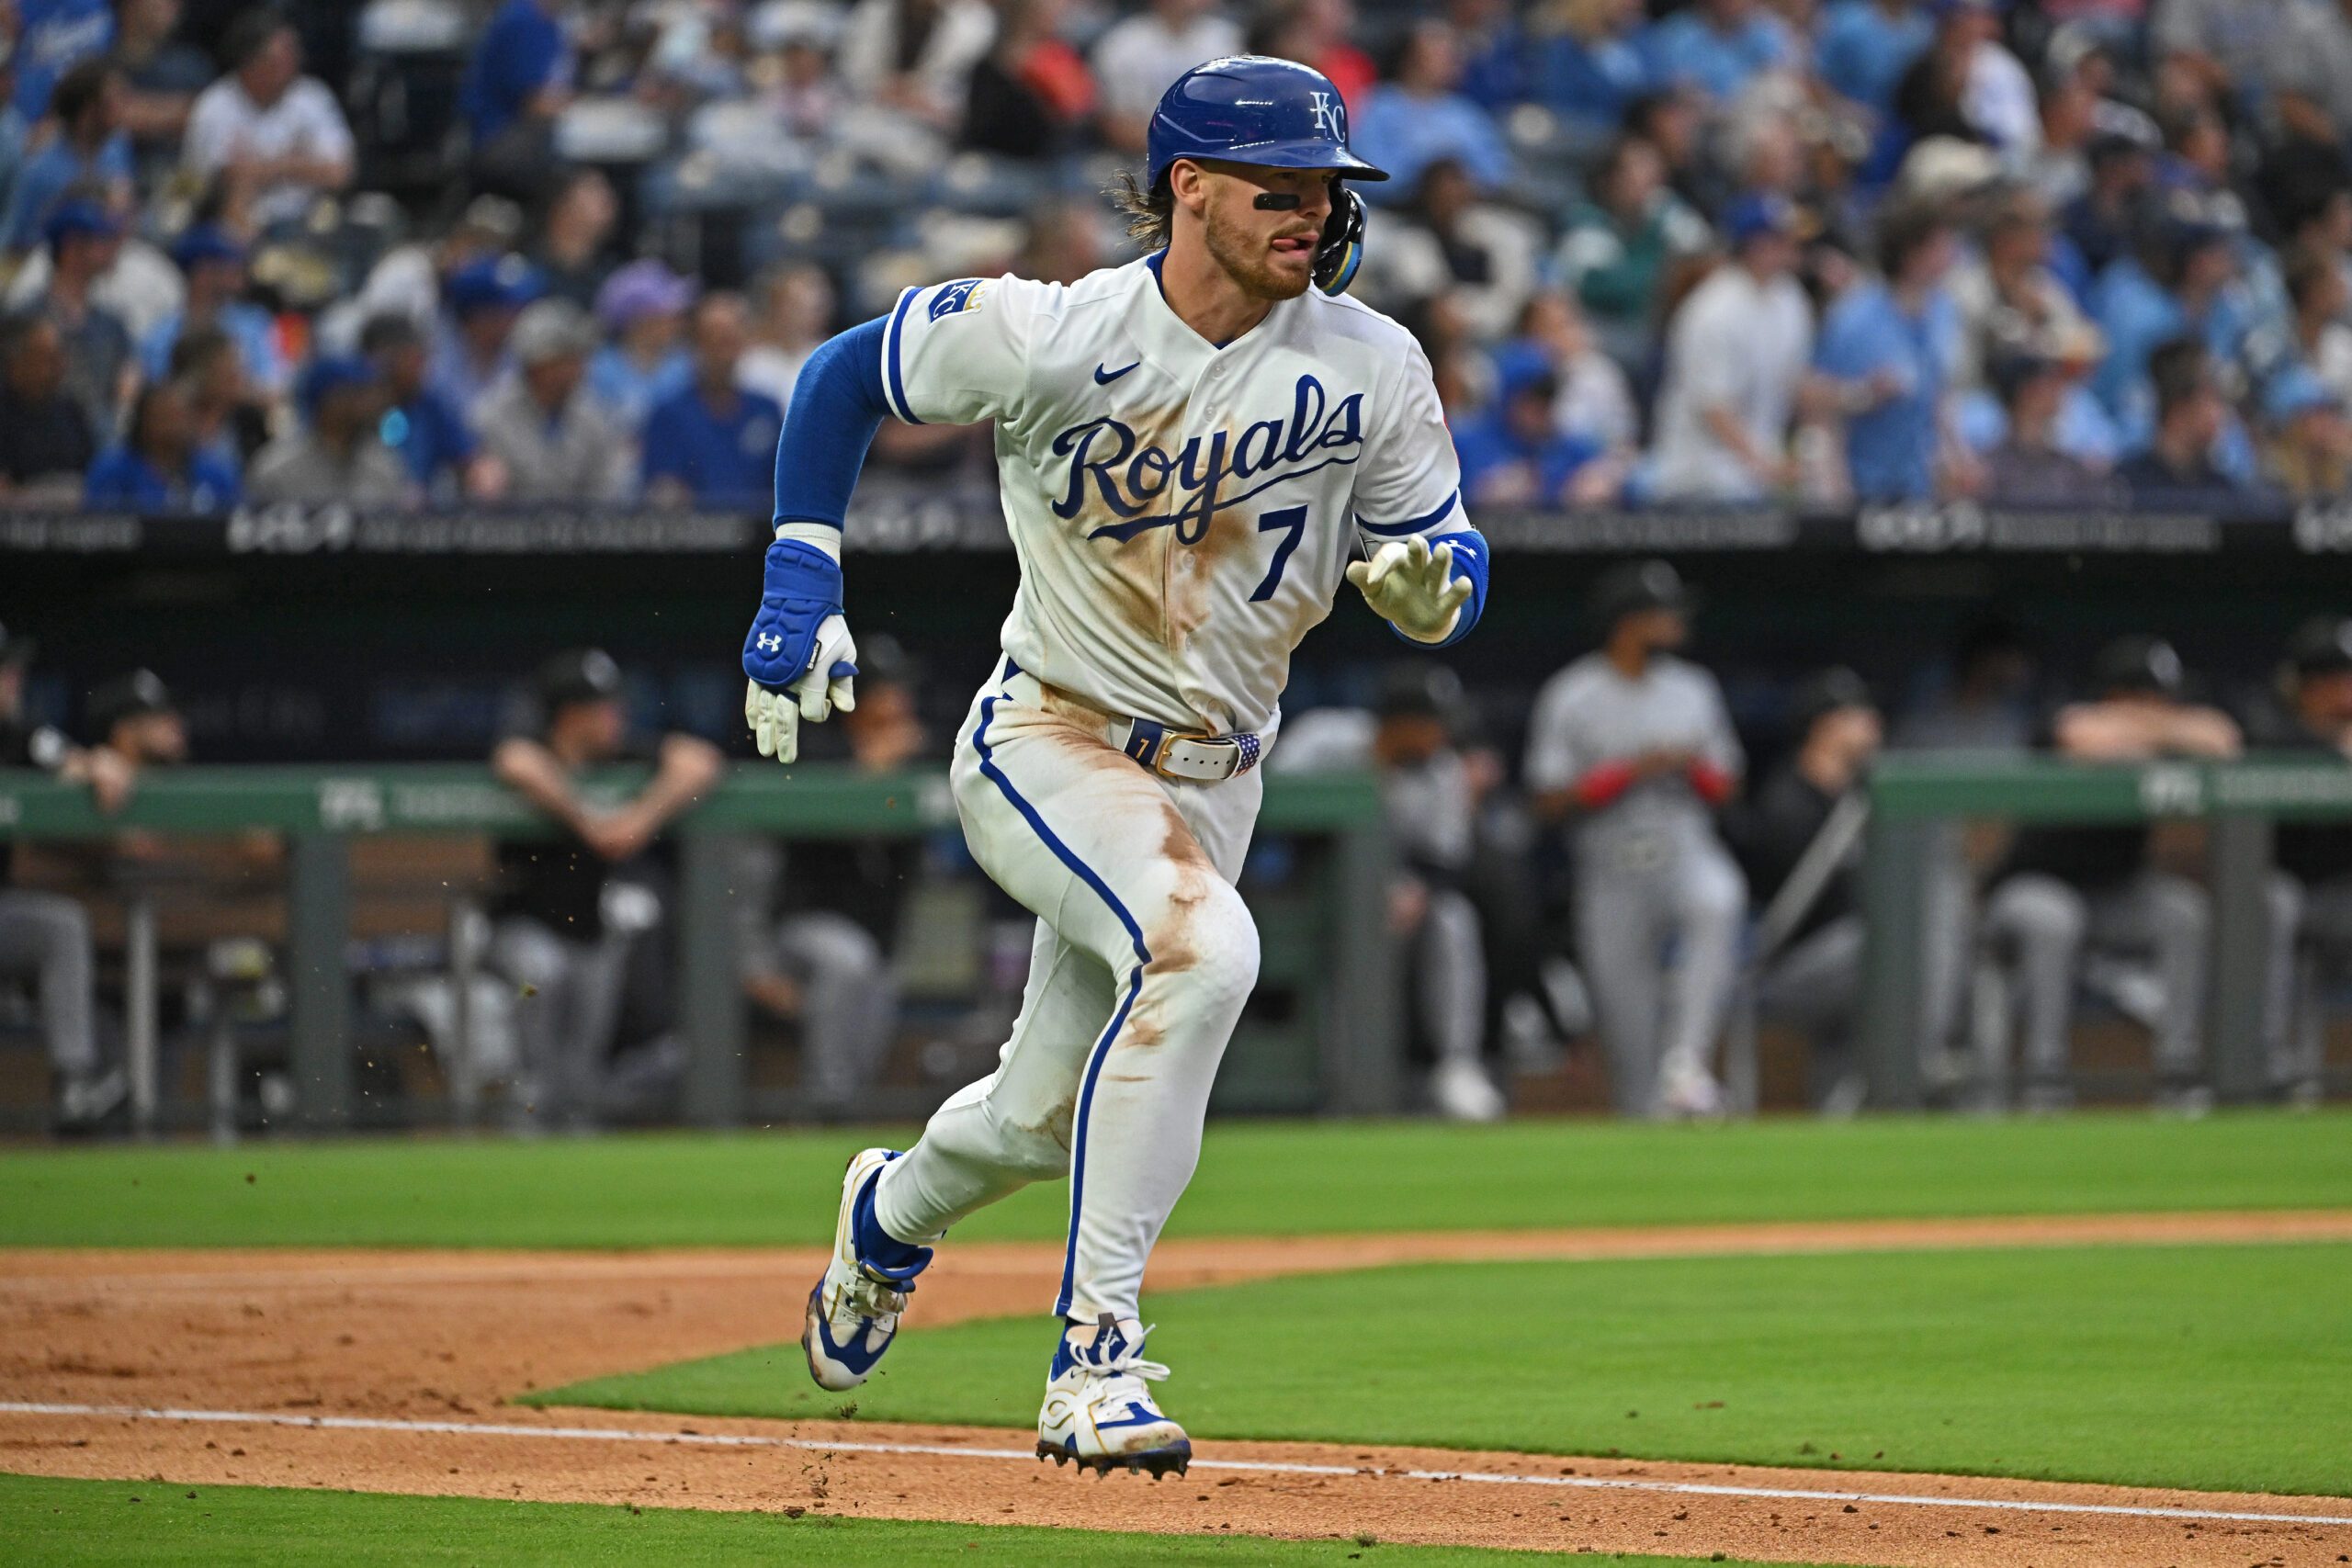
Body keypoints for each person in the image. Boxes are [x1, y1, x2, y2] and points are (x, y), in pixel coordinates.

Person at [750, 57, 1487, 1476]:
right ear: (1186, 191)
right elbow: (846, 373)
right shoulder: (1057, 332)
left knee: (1037, 1120)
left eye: (1328, 189)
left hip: (1219, 771)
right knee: (1205, 954)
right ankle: (1093, 1362)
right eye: (1280, 188)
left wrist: (1430, 588)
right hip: (1051, 732)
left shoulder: (1374, 360)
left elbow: (1448, 549)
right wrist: (803, 566)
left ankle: (889, 1215)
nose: (1312, 214)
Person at [1978, 637, 2252, 1112]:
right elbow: (2084, 737)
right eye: (2149, 697)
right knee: (2054, 919)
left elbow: (2223, 739)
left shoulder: (2158, 737)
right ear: (2116, 697)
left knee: (2184, 913)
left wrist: (2155, 727)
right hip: (2030, 885)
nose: (2164, 709)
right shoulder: (2066, 719)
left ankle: (2178, 1074)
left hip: (2114, 894)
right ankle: (2045, 1080)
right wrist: (2160, 729)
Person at [1524, 560, 1745, 1119]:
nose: (1675, 622)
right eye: (1662, 613)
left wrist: (1688, 766)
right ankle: (1655, 1137)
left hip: (1685, 843)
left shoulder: (1693, 688)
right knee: (1629, 1040)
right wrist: (1630, 771)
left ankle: (1688, 1062)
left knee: (1718, 899)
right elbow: (1545, 801)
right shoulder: (1572, 693)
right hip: (1609, 860)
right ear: (1629, 622)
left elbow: (1727, 785)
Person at [489, 649, 722, 1129]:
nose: (618, 716)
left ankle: (573, 1127)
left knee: (583, 1057)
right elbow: (514, 761)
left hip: (590, 934)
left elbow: (699, 761)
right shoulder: (533, 748)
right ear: (572, 715)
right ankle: (525, 1125)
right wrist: (587, 822)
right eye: (604, 708)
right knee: (543, 975)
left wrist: (637, 820)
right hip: (523, 929)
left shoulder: (620, 753)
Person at [1274, 663, 1504, 1121]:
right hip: (1313, 887)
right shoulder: (1324, 739)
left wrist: (1415, 891)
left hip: (1400, 899)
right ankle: (1327, 1078)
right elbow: (1270, 808)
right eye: (1434, 726)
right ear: (1402, 722)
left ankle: (1456, 1066)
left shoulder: (1441, 772)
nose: (1442, 739)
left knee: (1454, 921)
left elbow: (1447, 860)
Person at [741, 637, 927, 1113]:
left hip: (875, 932)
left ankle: (847, 1107)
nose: (899, 703)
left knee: (877, 977)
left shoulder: (913, 762)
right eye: (887, 692)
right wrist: (874, 768)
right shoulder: (814, 746)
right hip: (800, 927)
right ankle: (825, 1104)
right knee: (849, 959)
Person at [0, 621, 131, 1133]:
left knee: (59, 927)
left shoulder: (17, 732)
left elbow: (72, 759)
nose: (14, 680)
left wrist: (99, 764)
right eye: (3, 672)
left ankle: (74, 1086)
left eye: (14, 670)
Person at [1736, 667, 1881, 1112]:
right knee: (1880, 950)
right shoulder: (1787, 801)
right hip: (1786, 969)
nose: (1873, 723)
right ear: (1826, 726)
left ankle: (1843, 1111)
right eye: (1858, 714)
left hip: (1847, 961)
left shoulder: (1867, 798)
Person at [1647, 192, 1813, 501]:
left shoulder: (1789, 297)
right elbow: (1714, 407)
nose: (1794, 250)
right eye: (1782, 240)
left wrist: (1855, 395)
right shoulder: (1713, 309)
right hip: (1698, 482)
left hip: (1754, 481)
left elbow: (1794, 382)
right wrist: (1766, 465)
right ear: (1755, 246)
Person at [1812, 204, 1965, 502]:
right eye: (1940, 245)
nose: (1951, 254)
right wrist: (1861, 394)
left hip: (1918, 483)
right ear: (1912, 253)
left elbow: (1939, 391)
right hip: (1863, 482)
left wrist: (1959, 455)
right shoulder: (1855, 319)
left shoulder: (1944, 310)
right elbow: (1814, 400)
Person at [2259, 617, 2352, 1105]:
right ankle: (2267, 1067)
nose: (2345, 691)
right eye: (2335, 679)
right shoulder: (2269, 729)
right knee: (2276, 901)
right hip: (2272, 895)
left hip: (2340, 898)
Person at [181, 9, 354, 231]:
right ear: (250, 61)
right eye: (279, 59)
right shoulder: (214, 105)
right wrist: (302, 163)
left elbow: (340, 172)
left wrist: (268, 167)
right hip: (230, 225)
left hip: (307, 222)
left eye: (293, 55)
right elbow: (222, 182)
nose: (292, 64)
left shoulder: (312, 96)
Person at [1551, 134, 1713, 369]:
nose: (1649, 181)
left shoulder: (1661, 213)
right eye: (1637, 170)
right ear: (1611, 179)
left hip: (1648, 332)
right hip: (1597, 331)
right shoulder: (1585, 220)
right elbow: (1602, 288)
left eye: (1653, 171)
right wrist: (1666, 266)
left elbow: (1705, 254)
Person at [474, 299, 637, 502]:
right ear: (537, 366)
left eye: (577, 359)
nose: (576, 370)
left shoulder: (595, 414)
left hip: (583, 529)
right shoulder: (491, 415)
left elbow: (609, 488)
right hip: (510, 529)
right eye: (564, 361)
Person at [644, 293, 784, 508]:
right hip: (694, 536)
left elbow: (783, 484)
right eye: (714, 341)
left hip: (764, 535)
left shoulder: (766, 410)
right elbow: (662, 489)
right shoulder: (669, 414)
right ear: (696, 345)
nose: (723, 354)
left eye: (730, 342)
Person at [1353, 21, 1512, 197]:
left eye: (1452, 54)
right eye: (1440, 53)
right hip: (1396, 211)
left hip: (1465, 209)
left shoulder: (1465, 112)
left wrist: (1459, 185)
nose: (1451, 61)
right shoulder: (1378, 105)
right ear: (1410, 58)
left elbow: (1496, 171)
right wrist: (1428, 183)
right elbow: (1365, 171)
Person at [0, 58, 130, 256]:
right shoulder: (41, 172)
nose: (123, 106)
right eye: (114, 99)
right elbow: (19, 243)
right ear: (88, 110)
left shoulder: (117, 147)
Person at [139, 224, 287, 399]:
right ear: (202, 273)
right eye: (228, 266)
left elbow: (273, 388)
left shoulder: (254, 322)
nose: (238, 273)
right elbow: (161, 392)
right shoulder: (161, 334)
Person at [30, 197, 134, 442]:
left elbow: (125, 386)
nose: (111, 249)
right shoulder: (29, 317)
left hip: (100, 438)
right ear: (72, 247)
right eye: (101, 241)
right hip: (41, 438)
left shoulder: (111, 323)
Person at [245, 355, 413, 504]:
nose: (371, 403)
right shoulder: (277, 469)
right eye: (357, 393)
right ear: (328, 402)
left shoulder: (385, 465)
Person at [1087, 0, 1237, 154]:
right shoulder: (1121, 44)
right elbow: (1115, 125)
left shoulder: (1228, 39)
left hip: (1214, 153)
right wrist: (1180, 145)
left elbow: (1237, 115)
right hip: (1137, 157)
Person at [363, 312, 484, 499]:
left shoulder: (429, 404)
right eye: (411, 357)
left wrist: (479, 473)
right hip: (366, 506)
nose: (421, 366)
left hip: (421, 516)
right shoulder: (360, 407)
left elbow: (466, 456)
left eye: (422, 357)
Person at [2116, 338, 2251, 505]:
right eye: (2212, 398)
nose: (2221, 412)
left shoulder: (2225, 494)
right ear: (2178, 410)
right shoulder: (2127, 489)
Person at [84, 378, 241, 508]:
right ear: (143, 421)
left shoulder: (213, 472)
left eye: (180, 416)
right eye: (165, 417)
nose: (174, 425)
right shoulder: (112, 471)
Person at [586, 259, 697, 436]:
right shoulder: (599, 368)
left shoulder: (686, 366)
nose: (678, 324)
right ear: (640, 321)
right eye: (668, 317)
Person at [0, 312, 96, 499]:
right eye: (47, 359)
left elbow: (91, 475)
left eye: (59, 357)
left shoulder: (71, 411)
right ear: (15, 362)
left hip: (76, 521)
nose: (58, 367)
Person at [738, 263, 834, 412]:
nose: (803, 316)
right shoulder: (750, 361)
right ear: (775, 306)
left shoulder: (832, 360)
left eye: (814, 308)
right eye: (795, 307)